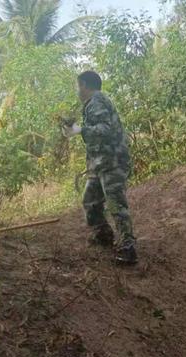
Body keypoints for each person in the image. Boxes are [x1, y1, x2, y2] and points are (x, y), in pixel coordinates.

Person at [63, 70, 137, 264]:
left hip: (112, 162)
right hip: (100, 164)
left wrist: (81, 130)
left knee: (116, 204)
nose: (77, 91)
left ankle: (128, 249)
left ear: (85, 86)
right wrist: (77, 130)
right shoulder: (92, 104)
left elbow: (105, 129)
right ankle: (104, 235)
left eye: (77, 86)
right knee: (90, 201)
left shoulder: (96, 101)